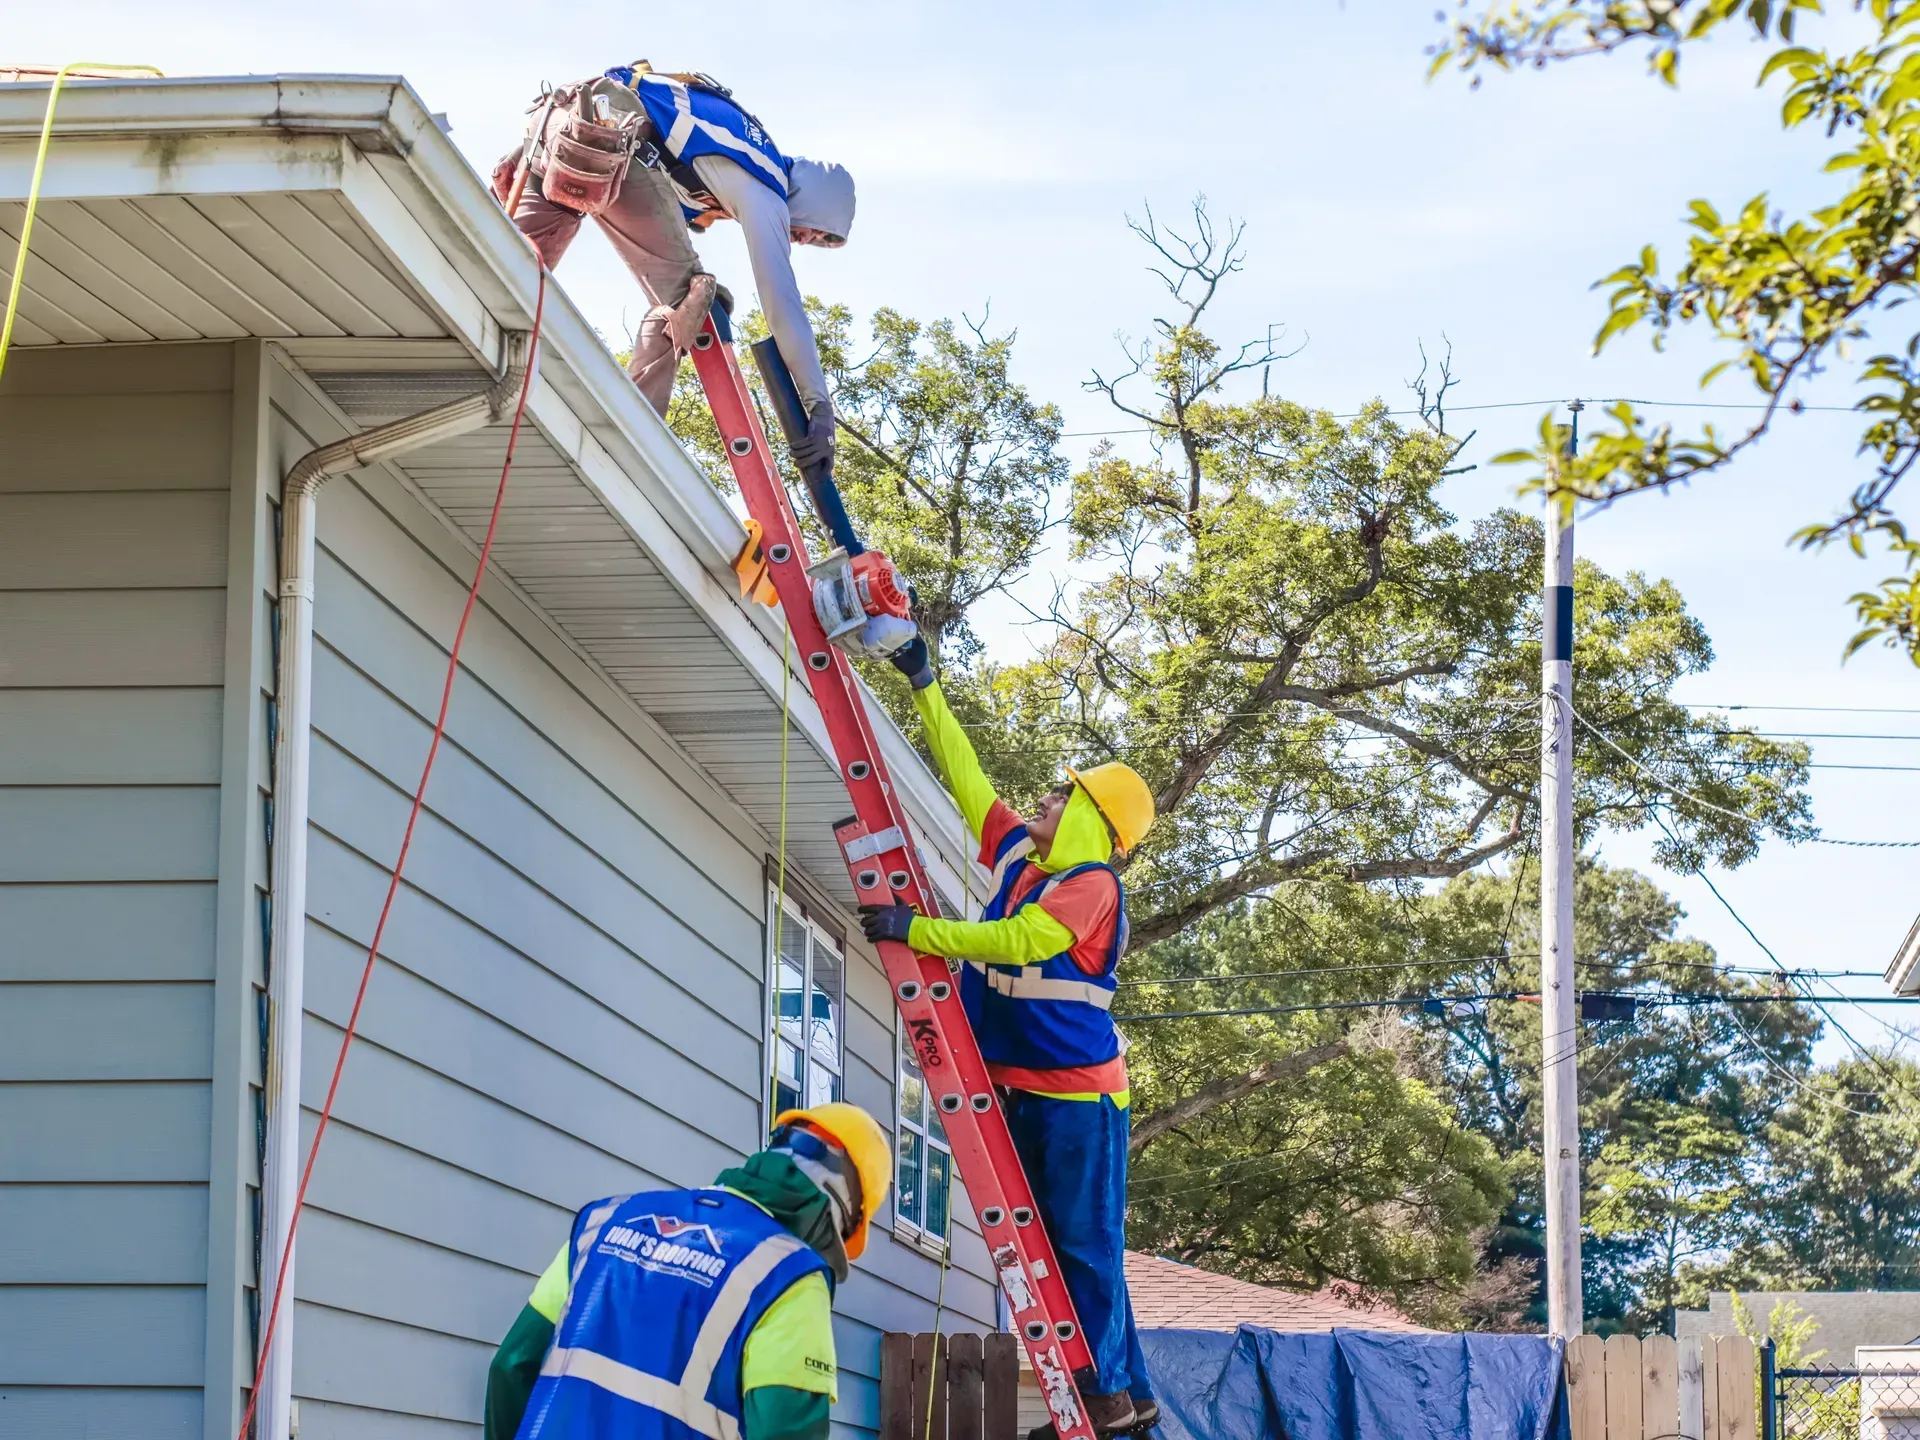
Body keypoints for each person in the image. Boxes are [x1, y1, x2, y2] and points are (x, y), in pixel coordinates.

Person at [858, 638, 1161, 1439]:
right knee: (1065, 1251)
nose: (1047, 805)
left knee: (1087, 1248)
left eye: (1065, 800)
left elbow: (1022, 943)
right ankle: (1131, 1395)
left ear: (1096, 821)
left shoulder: (1091, 886)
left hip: (1080, 1102)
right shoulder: (1024, 853)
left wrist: (919, 930)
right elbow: (967, 780)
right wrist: (923, 682)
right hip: (1023, 1085)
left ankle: (1103, 1401)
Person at [492, 63, 852, 466]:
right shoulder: (766, 184)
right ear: (812, 197)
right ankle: (627, 446)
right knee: (689, 299)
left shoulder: (731, 150)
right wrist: (820, 408)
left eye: (820, 244)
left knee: (506, 275)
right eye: (817, 231)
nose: (805, 240)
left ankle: (483, 350)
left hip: (561, 127)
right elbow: (782, 304)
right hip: (610, 139)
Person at [484, 1102, 891, 1440]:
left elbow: (512, 1364)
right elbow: (785, 1429)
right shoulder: (790, 1277)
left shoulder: (607, 1221)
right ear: (841, 1212)